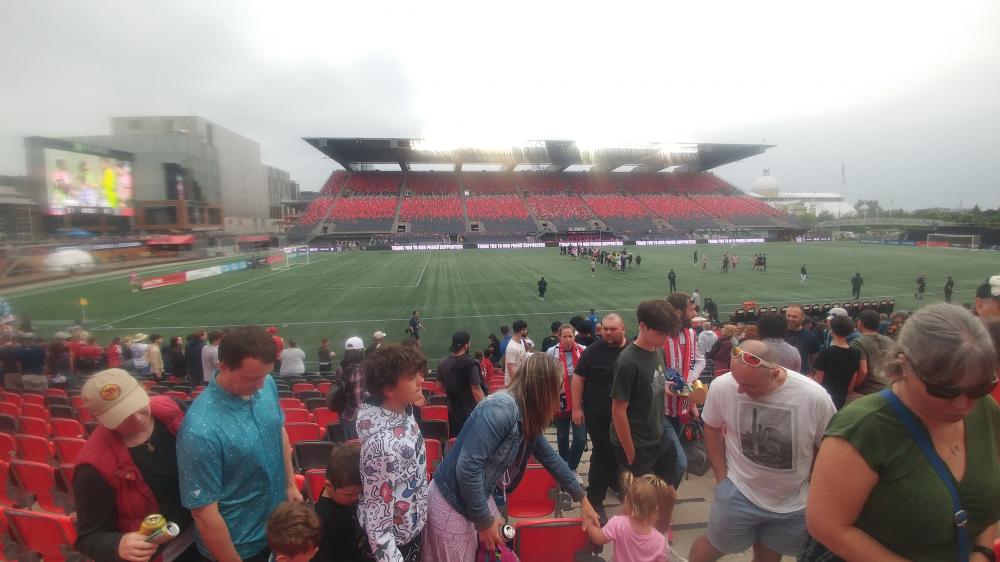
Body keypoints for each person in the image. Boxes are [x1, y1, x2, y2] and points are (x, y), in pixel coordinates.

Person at [804, 304, 999, 562]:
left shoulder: (985, 409)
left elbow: (980, 498)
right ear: (904, 365)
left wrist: (982, 552)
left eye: (981, 387)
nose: (963, 404)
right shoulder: (863, 426)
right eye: (944, 391)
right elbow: (827, 526)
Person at [421, 353, 600, 561]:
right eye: (558, 384)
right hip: (451, 505)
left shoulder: (525, 412)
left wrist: (583, 499)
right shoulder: (501, 409)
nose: (561, 390)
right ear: (542, 387)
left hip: (473, 497)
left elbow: (550, 457)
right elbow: (468, 468)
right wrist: (484, 521)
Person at [688, 341, 836, 562]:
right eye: (736, 380)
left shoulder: (814, 397)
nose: (739, 389)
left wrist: (814, 488)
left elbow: (825, 446)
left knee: (769, 555)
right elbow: (712, 426)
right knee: (712, 546)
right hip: (739, 492)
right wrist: (721, 479)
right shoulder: (723, 385)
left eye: (749, 385)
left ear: (775, 374)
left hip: (793, 503)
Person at [178, 325, 299, 562]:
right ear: (222, 366)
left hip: (276, 530)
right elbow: (204, 513)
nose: (262, 385)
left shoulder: (266, 385)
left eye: (266, 374)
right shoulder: (200, 429)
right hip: (238, 547)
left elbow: (278, 430)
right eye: (252, 378)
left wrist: (290, 484)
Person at [74, 368, 197, 562]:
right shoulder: (93, 467)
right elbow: (88, 538)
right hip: (170, 552)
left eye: (138, 406)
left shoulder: (172, 409)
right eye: (122, 416)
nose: (137, 418)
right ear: (99, 419)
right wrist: (117, 544)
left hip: (203, 528)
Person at [611, 299, 681, 535]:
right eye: (661, 332)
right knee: (636, 504)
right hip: (637, 442)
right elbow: (618, 410)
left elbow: (655, 386)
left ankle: (658, 543)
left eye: (668, 332)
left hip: (657, 435)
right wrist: (631, 453)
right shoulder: (628, 361)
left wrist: (675, 391)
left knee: (669, 494)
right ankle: (619, 540)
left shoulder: (657, 351)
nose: (665, 337)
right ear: (642, 326)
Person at [357, 344, 428, 562]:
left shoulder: (405, 412)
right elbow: (378, 526)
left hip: (413, 532)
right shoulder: (381, 447)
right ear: (389, 389)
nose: (421, 381)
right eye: (412, 377)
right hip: (397, 549)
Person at [573, 313, 629, 520]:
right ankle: (595, 500)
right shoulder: (592, 352)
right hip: (598, 415)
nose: (608, 332)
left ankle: (620, 488)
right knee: (603, 453)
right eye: (605, 329)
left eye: (613, 329)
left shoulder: (631, 351)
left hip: (626, 417)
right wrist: (576, 408)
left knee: (624, 454)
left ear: (623, 329)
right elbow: (578, 378)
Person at [662, 292, 706, 485]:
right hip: (660, 409)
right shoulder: (659, 335)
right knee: (679, 462)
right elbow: (652, 372)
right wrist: (670, 383)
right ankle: (663, 500)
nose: (694, 311)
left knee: (669, 459)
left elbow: (700, 361)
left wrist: (686, 382)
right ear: (678, 312)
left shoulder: (690, 333)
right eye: (691, 309)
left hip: (683, 408)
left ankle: (659, 496)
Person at [584, 473, 671, 562]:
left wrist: (589, 521)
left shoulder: (618, 524)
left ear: (627, 501)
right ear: (655, 510)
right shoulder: (660, 541)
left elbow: (598, 538)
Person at [314, 443, 371, 562]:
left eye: (360, 492)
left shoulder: (345, 497)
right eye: (349, 494)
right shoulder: (322, 521)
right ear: (328, 486)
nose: (356, 498)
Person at [547, 324, 587, 476]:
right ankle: (564, 465)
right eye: (565, 336)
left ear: (574, 336)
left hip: (580, 403)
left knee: (580, 438)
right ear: (559, 337)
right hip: (560, 402)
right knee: (562, 436)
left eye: (571, 336)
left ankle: (570, 467)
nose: (568, 340)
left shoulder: (583, 350)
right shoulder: (552, 352)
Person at [438, 331, 484, 437]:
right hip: (470, 412)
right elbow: (476, 391)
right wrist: (486, 408)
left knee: (455, 441)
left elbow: (439, 386)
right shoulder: (471, 363)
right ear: (466, 345)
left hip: (452, 411)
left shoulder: (442, 363)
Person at [812, 315, 861, 410]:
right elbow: (853, 379)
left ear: (832, 331)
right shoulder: (856, 352)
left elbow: (818, 379)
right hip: (841, 397)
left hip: (824, 397)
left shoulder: (826, 352)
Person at [849, 309, 893, 398]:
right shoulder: (889, 340)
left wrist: (851, 388)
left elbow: (863, 371)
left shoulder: (857, 343)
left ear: (860, 323)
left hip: (867, 390)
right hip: (888, 387)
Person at [334, 337, 366, 439]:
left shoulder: (341, 368)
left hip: (344, 414)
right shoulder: (358, 371)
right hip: (354, 418)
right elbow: (358, 401)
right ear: (359, 352)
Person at [784, 305, 819, 375]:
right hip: (781, 375)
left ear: (803, 318)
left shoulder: (810, 336)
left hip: (801, 375)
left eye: (794, 316)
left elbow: (814, 359)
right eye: (788, 316)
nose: (790, 319)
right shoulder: (778, 332)